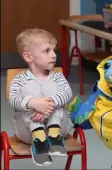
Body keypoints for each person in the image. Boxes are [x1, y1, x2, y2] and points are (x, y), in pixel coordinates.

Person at [9, 28, 74, 166]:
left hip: (59, 127)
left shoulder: (57, 76)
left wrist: (48, 106)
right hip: (27, 132)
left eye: (54, 50)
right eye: (47, 51)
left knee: (59, 108)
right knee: (26, 109)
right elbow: (13, 98)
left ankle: (54, 138)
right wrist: (34, 104)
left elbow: (67, 93)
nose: (54, 55)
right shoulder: (19, 80)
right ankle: (39, 142)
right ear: (28, 57)